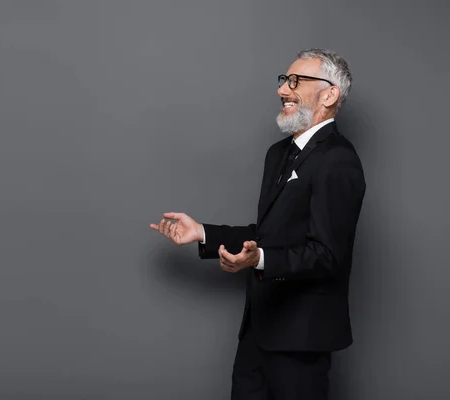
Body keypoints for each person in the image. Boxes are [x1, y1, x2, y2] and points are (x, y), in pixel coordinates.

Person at [150, 49, 366, 400]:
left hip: (301, 341)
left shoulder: (338, 160)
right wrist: (202, 233)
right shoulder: (278, 154)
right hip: (258, 331)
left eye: (297, 81)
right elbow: (268, 236)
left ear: (329, 94)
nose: (284, 89)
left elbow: (327, 255)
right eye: (285, 80)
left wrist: (259, 259)